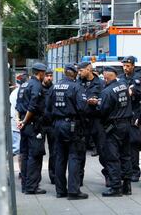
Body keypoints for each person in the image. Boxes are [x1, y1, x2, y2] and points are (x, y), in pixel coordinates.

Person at [46, 64, 89, 200]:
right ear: (74, 74)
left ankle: (60, 190)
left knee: (60, 157)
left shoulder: (54, 87)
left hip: (57, 125)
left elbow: (47, 108)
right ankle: (73, 191)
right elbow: (82, 108)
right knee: (74, 156)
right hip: (71, 125)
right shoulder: (76, 87)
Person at [97, 66, 133, 197]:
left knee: (112, 157)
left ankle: (115, 187)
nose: (103, 79)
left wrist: (97, 105)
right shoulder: (123, 86)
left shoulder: (107, 92)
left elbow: (103, 110)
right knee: (126, 155)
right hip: (126, 125)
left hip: (113, 127)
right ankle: (127, 185)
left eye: (104, 77)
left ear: (107, 77)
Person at [16, 62, 47, 194]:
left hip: (24, 124)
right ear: (40, 73)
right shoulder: (36, 85)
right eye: (44, 73)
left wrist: (20, 120)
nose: (45, 76)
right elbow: (33, 106)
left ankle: (25, 185)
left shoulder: (23, 85)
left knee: (25, 154)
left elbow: (18, 105)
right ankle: (31, 187)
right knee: (35, 155)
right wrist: (25, 120)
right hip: (33, 125)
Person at [77, 61, 105, 186]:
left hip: (97, 120)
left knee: (103, 150)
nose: (79, 73)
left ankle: (109, 178)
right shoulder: (77, 83)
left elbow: (105, 101)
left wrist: (97, 102)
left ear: (89, 69)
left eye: (81, 70)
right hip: (82, 121)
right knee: (79, 152)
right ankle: (78, 179)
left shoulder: (100, 83)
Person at [119, 56, 141, 182]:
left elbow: (134, 93)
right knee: (123, 144)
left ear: (133, 66)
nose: (125, 68)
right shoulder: (121, 78)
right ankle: (125, 170)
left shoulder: (138, 78)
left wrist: (129, 91)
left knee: (133, 144)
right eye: (124, 66)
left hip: (133, 114)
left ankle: (135, 171)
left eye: (128, 66)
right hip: (122, 115)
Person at [9, 73, 29, 178]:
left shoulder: (16, 92)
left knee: (21, 150)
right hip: (17, 125)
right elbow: (17, 109)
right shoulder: (18, 93)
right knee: (16, 149)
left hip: (18, 124)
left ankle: (22, 172)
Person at [41, 69, 56, 185]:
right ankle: (36, 178)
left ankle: (54, 176)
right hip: (40, 124)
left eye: (51, 76)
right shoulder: (38, 88)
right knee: (38, 151)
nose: (49, 78)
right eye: (47, 76)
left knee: (54, 151)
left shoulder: (54, 89)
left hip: (51, 124)